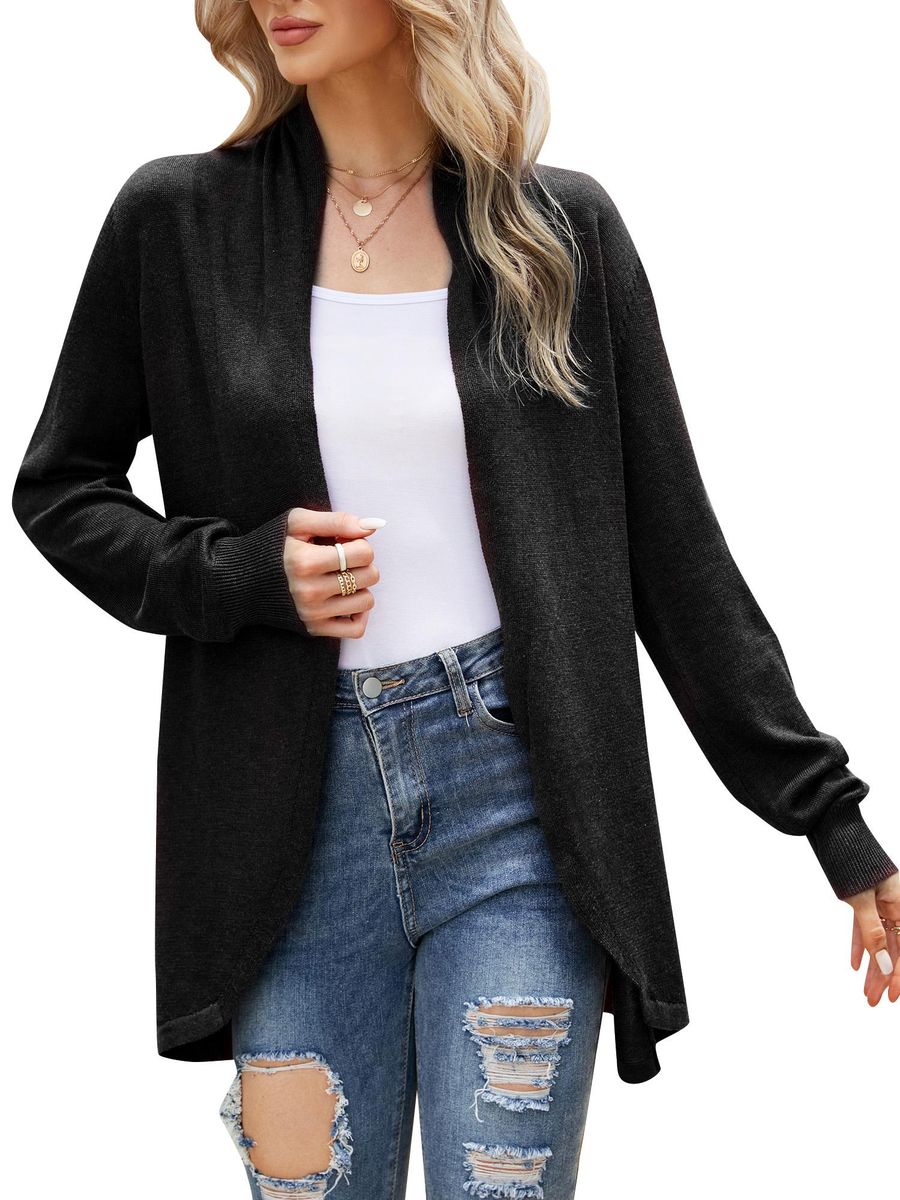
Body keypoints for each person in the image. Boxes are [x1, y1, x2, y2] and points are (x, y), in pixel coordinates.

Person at [11, 3, 899, 1199]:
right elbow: (62, 487)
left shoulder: (556, 230)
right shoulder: (176, 220)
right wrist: (238, 572)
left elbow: (675, 555)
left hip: (517, 804)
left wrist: (830, 820)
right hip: (286, 829)